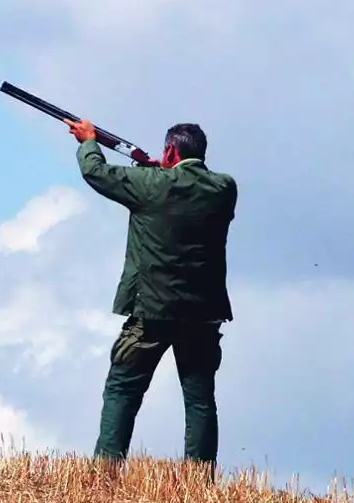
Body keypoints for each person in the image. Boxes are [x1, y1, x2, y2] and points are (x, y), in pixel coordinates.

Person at [64, 117, 237, 476]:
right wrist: (163, 169)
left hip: (151, 310)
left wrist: (87, 141)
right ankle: (200, 478)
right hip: (203, 313)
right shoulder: (224, 189)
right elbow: (185, 186)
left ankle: (106, 472)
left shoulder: (149, 185)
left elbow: (97, 173)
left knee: (123, 389)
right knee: (200, 398)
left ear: (170, 150)